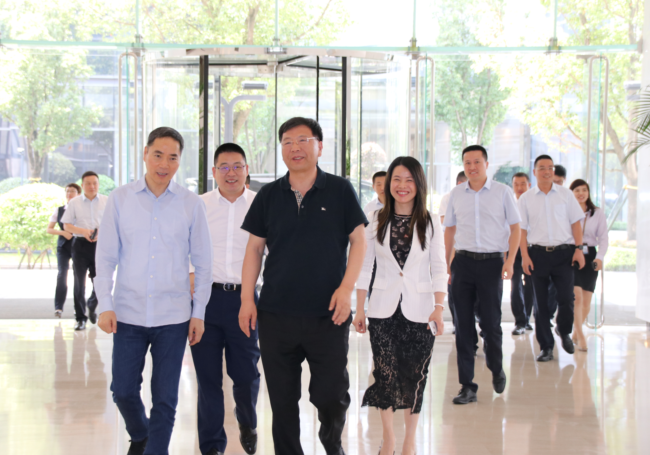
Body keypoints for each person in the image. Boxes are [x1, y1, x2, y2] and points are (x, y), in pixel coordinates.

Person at [239, 117, 367, 455]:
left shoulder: (340, 190)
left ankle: (331, 440)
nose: (295, 148)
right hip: (275, 315)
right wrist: (247, 299)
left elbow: (359, 241)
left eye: (303, 140)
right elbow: (254, 250)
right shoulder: (268, 194)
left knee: (331, 395)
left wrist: (346, 288)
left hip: (329, 314)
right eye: (287, 142)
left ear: (319, 146)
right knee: (282, 401)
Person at [95, 127, 213, 455]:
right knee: (122, 390)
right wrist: (105, 304)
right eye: (158, 155)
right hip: (128, 314)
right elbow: (105, 258)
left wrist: (198, 314)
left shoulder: (191, 204)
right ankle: (140, 433)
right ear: (145, 154)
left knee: (165, 398)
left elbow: (204, 264)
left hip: (173, 317)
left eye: (172, 157)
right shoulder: (120, 199)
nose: (164, 164)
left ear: (179, 161)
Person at [353, 156, 447, 455]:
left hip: (421, 310)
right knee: (385, 374)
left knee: (415, 376)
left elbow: (439, 267)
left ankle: (410, 440)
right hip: (382, 308)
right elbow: (365, 265)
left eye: (409, 180)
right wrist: (359, 307)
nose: (402, 185)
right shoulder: (375, 218)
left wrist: (439, 306)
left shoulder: (430, 220)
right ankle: (389, 438)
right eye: (397, 179)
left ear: (418, 184)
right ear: (388, 183)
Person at [190, 143, 260, 455]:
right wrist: (190, 276)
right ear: (214, 171)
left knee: (246, 374)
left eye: (237, 166)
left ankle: (247, 420)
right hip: (205, 300)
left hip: (245, 300)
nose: (231, 173)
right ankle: (212, 446)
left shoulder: (260, 205)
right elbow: (184, 244)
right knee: (208, 380)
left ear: (247, 170)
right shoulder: (199, 205)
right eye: (224, 167)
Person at [443, 145, 521, 405]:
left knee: (490, 323)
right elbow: (449, 229)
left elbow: (515, 228)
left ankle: (496, 367)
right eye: (467, 162)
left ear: (486, 164)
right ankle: (467, 386)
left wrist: (510, 260)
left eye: (477, 162)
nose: (472, 167)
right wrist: (447, 262)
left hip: (492, 264)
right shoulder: (456, 194)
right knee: (463, 326)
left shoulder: (502, 192)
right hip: (463, 263)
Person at [517, 155, 585, 362]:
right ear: (535, 171)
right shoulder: (526, 199)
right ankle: (546, 347)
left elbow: (576, 223)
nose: (547, 171)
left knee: (566, 298)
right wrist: (525, 256)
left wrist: (579, 249)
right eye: (542, 168)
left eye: (550, 168)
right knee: (540, 304)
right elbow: (521, 230)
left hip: (564, 254)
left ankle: (563, 331)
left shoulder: (565, 194)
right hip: (537, 254)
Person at [62, 171, 108, 331]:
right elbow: (66, 225)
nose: (92, 186)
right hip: (80, 246)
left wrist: (100, 232)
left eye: (94, 183)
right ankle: (80, 318)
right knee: (79, 283)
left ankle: (92, 303)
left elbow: (113, 224)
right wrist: (84, 231)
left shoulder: (106, 201)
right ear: (82, 185)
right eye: (88, 183)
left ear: (98, 184)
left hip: (100, 246)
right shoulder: (74, 202)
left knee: (100, 281)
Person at [570, 179, 608, 352]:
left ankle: (576, 331)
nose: (581, 193)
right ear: (571, 193)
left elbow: (604, 238)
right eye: (577, 190)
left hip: (590, 255)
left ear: (588, 192)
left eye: (584, 190)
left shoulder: (597, 213)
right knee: (577, 297)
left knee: (586, 302)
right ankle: (580, 335)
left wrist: (599, 258)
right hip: (571, 254)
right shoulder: (566, 211)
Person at [438, 171, 468, 333]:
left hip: (471, 250)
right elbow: (445, 222)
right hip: (453, 248)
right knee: (453, 288)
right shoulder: (449, 198)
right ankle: (458, 323)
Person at [46, 182, 81, 318]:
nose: (69, 194)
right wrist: (63, 233)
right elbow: (49, 229)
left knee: (79, 277)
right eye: (67, 191)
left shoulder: (82, 210)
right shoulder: (59, 210)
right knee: (62, 274)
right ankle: (58, 307)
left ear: (78, 194)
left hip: (78, 245)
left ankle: (78, 308)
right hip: (63, 246)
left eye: (72, 191)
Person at [510, 172, 535, 335]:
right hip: (514, 249)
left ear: (529, 185)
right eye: (516, 184)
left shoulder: (534, 202)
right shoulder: (509, 202)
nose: (519, 187)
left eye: (523, 184)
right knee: (515, 285)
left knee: (531, 286)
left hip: (531, 248)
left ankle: (526, 319)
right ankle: (520, 321)